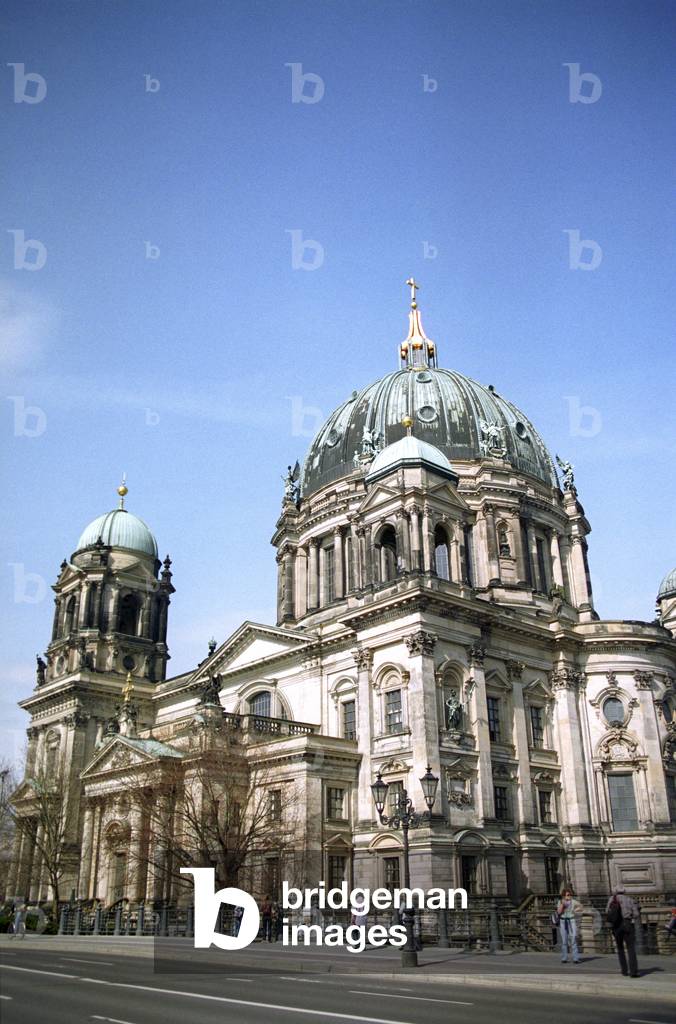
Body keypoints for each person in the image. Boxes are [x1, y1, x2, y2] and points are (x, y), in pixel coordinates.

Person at [606, 886, 639, 977]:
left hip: (616, 926)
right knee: (631, 948)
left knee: (620, 948)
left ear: (616, 891)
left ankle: (624, 970)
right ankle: (633, 972)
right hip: (627, 924)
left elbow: (607, 912)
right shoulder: (629, 899)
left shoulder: (612, 899)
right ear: (624, 891)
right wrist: (630, 916)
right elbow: (636, 914)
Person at [556, 887, 582, 963]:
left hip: (571, 921)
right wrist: (563, 905)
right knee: (564, 941)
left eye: (570, 895)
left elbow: (581, 906)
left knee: (573, 939)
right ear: (564, 895)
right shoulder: (560, 902)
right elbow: (559, 912)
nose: (569, 896)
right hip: (563, 921)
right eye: (567, 895)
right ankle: (564, 958)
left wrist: (575, 910)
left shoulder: (573, 901)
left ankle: (575, 958)